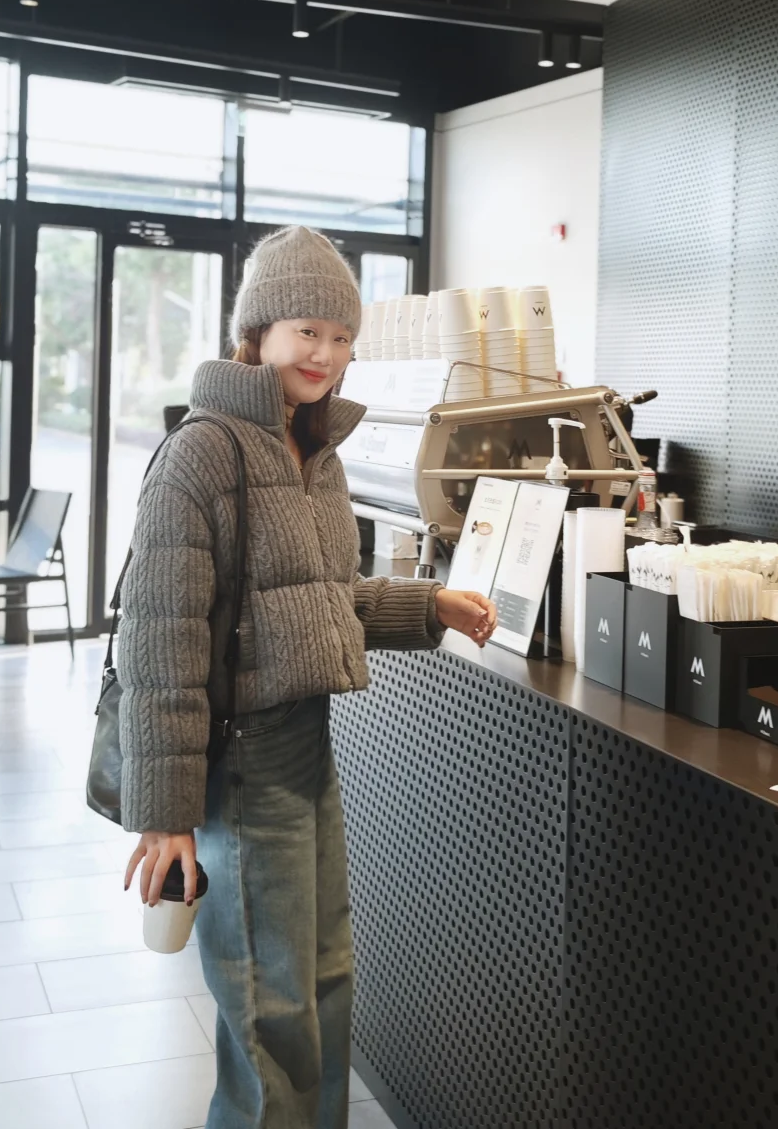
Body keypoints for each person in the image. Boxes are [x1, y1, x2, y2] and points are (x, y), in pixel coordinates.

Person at [116, 226, 497, 1129]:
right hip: (241, 767)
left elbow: (320, 600)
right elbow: (160, 641)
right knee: (269, 1010)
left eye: (340, 335)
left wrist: (429, 605)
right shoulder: (203, 451)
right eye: (306, 331)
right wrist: (166, 813)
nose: (324, 354)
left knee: (324, 989)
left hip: (307, 752)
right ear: (257, 332)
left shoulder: (313, 449)